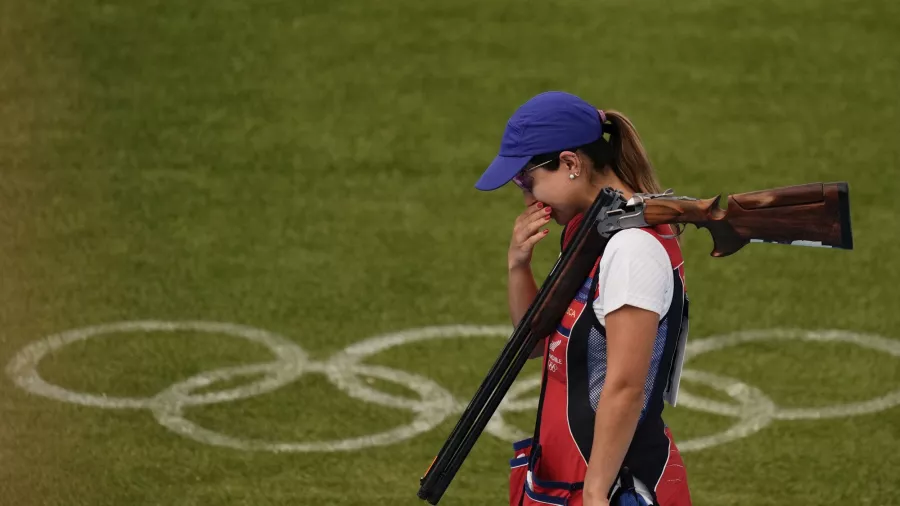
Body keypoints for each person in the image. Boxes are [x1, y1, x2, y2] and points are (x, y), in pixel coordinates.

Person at [474, 91, 692, 506]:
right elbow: (537, 344)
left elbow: (626, 386)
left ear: (571, 163)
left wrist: (594, 493)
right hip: (572, 476)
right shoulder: (588, 231)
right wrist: (518, 266)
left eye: (526, 179)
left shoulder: (630, 250)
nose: (526, 198)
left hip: (613, 486)